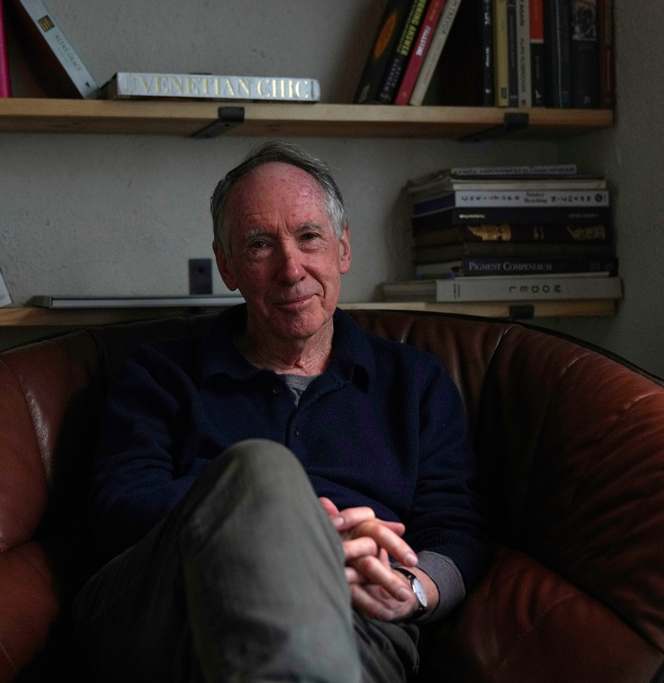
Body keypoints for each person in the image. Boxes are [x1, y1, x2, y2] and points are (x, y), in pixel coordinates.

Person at [73, 142, 486, 682]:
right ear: (227, 266)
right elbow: (118, 506)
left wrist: (409, 589)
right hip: (171, 606)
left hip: (355, 616)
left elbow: (455, 530)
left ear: (342, 249)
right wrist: (285, 525)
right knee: (259, 470)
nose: (291, 269)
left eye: (309, 237)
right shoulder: (160, 374)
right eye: (260, 245)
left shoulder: (416, 382)